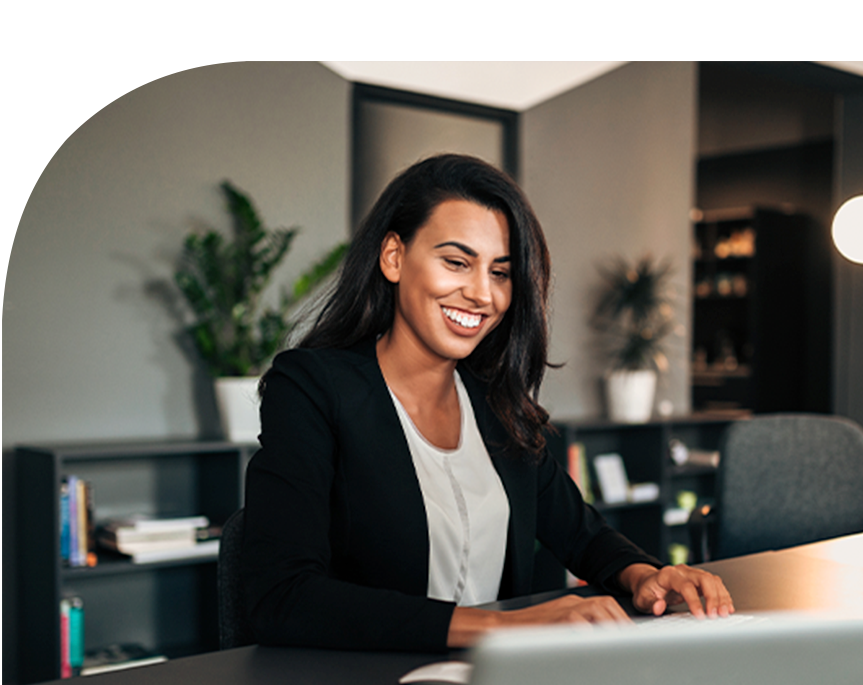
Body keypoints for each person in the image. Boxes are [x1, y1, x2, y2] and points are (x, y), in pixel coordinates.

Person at [242, 154, 733, 651]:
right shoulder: (311, 388)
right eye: (456, 262)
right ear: (393, 257)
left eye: (501, 273)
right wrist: (506, 627)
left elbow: (580, 533)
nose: (482, 294)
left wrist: (644, 575)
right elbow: (282, 597)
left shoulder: (496, 403)